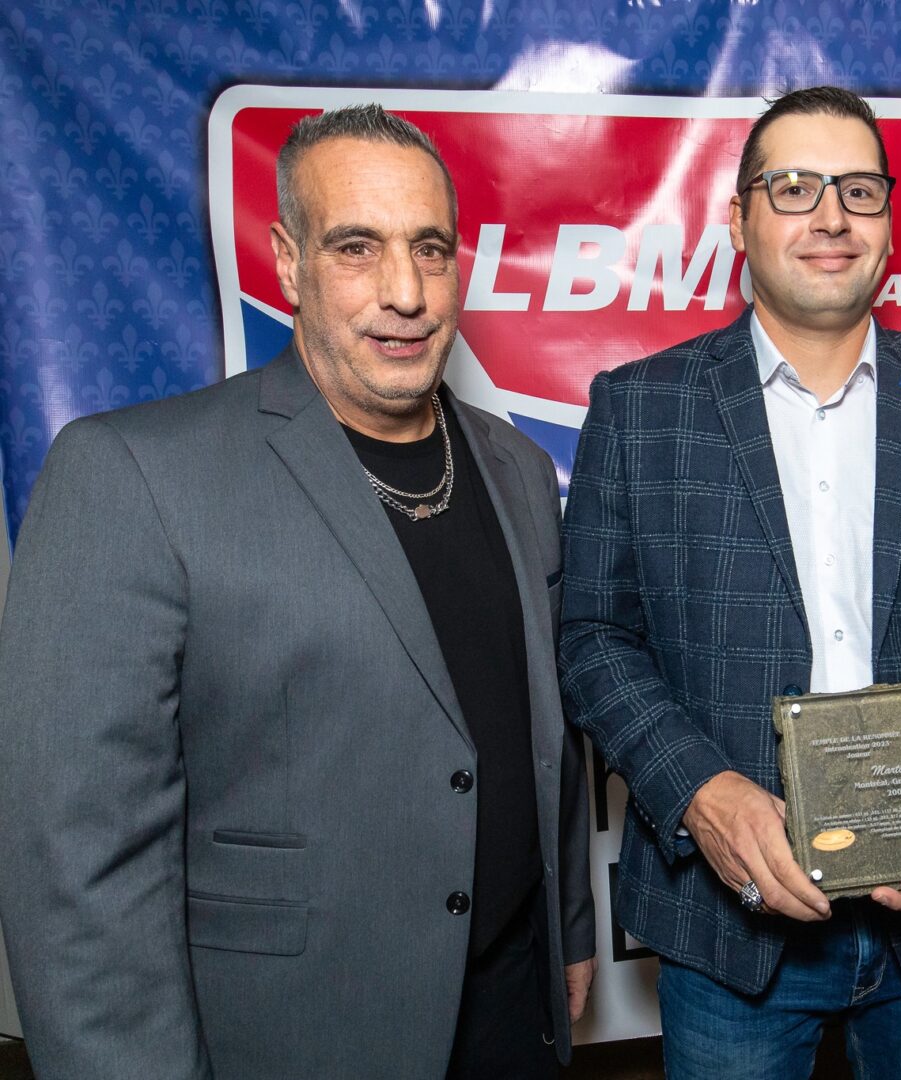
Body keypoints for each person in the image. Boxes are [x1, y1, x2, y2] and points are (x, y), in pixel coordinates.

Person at [0, 104, 594, 1080]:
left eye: (430, 249)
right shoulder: (133, 475)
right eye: (357, 247)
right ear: (288, 261)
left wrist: (568, 922)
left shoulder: (519, 471)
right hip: (298, 1035)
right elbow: (77, 863)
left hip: (509, 1016)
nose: (405, 291)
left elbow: (535, 733)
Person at [558, 86, 901, 1080]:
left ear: (888, 219)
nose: (831, 216)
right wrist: (701, 793)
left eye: (859, 190)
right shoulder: (638, 409)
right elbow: (593, 639)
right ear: (739, 219)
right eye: (793, 188)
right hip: (733, 934)